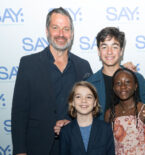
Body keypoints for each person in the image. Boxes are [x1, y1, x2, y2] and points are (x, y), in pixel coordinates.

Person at [11, 7, 93, 155]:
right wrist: (20, 151)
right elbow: (19, 113)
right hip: (36, 148)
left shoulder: (83, 66)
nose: (61, 34)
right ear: (47, 31)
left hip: (74, 147)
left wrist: (74, 125)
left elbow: (92, 108)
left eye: (66, 29)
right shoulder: (28, 64)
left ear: (72, 34)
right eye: (56, 28)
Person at [87, 27, 145, 120]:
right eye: (104, 47)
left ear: (121, 51)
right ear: (98, 51)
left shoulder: (137, 79)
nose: (109, 52)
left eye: (114, 47)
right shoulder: (89, 84)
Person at [105, 68, 145, 155]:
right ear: (113, 88)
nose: (123, 87)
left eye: (128, 82)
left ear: (135, 86)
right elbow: (107, 145)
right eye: (118, 83)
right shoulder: (109, 113)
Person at [60, 81, 115, 155]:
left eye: (88, 97)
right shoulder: (65, 131)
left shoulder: (106, 129)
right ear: (72, 102)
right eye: (78, 97)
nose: (83, 100)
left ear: (95, 102)